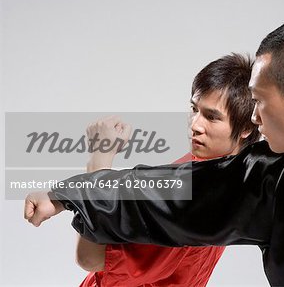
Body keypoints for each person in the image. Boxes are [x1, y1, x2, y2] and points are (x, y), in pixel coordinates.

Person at [25, 19, 284, 286]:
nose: (256, 119)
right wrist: (70, 192)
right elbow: (171, 192)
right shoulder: (270, 176)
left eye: (260, 101)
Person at [76, 53, 260, 286]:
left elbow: (89, 257)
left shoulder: (194, 193)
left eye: (212, 117)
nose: (195, 125)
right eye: (194, 109)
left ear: (245, 127)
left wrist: (99, 160)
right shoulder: (231, 173)